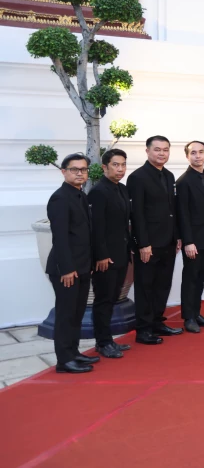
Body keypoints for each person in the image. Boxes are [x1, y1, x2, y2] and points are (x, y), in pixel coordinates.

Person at [127, 135, 182, 345]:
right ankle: (143, 330)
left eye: (165, 150)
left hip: (168, 241)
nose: (162, 153)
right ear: (147, 151)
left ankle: (157, 322)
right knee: (145, 287)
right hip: (148, 244)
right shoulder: (137, 177)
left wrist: (177, 236)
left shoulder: (169, 175)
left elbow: (172, 209)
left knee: (163, 285)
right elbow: (137, 214)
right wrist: (143, 243)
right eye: (157, 149)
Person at [47, 154, 98, 373]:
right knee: (66, 314)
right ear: (63, 171)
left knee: (77, 313)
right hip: (66, 269)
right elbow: (60, 237)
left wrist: (89, 263)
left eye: (83, 170)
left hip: (82, 266)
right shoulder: (60, 198)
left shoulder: (80, 195)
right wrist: (67, 269)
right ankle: (64, 360)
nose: (80, 173)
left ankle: (73, 352)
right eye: (74, 169)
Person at [88, 149, 133, 359]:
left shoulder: (122, 189)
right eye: (116, 165)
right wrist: (101, 256)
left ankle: (108, 339)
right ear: (105, 167)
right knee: (103, 300)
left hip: (121, 254)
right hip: (105, 258)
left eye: (123, 164)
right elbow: (96, 228)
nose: (120, 169)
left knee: (113, 298)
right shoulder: (98, 192)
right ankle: (103, 342)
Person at [175, 141, 204, 334]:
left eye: (201, 152)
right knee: (191, 278)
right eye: (193, 153)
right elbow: (182, 214)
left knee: (201, 278)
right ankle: (189, 317)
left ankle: (197, 313)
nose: (198, 156)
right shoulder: (183, 181)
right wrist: (188, 241)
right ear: (187, 156)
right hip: (194, 240)